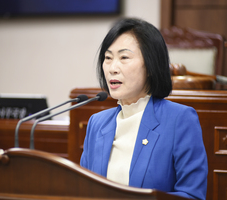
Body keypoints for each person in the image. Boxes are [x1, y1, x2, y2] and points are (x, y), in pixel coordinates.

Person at [80, 18, 208, 200]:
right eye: (108, 58)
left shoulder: (180, 120)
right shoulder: (97, 123)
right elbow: (82, 190)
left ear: (150, 65)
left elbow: (192, 195)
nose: (112, 68)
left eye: (124, 57)